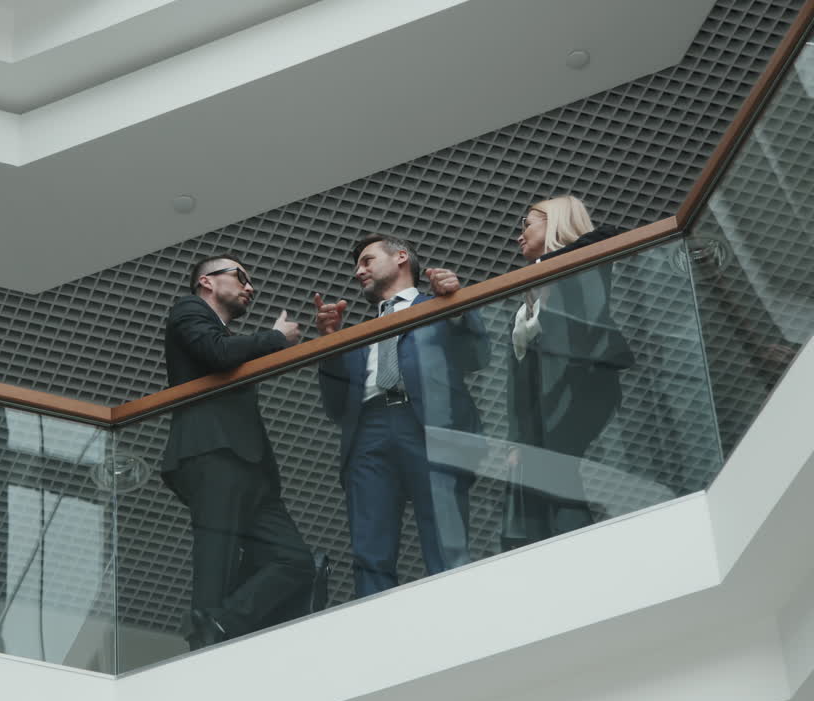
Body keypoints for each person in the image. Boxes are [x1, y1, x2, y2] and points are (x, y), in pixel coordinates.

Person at [314, 233, 488, 598]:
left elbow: (477, 357)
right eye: (357, 265)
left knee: (445, 538)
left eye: (366, 260)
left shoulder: (437, 304)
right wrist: (329, 344)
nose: (358, 271)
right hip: (368, 431)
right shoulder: (359, 333)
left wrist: (457, 302)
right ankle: (375, 628)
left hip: (428, 424)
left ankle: (458, 609)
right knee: (369, 549)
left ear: (401, 257)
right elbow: (335, 408)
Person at [161, 253, 315, 649]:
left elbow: (224, 353)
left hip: (250, 466)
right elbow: (216, 354)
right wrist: (276, 339)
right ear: (207, 282)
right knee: (217, 550)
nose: (250, 287)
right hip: (212, 452)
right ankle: (204, 640)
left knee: (295, 560)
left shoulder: (228, 339)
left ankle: (222, 626)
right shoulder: (188, 309)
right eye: (241, 277)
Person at [501, 196, 634, 550]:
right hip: (542, 400)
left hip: (580, 384)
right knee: (549, 477)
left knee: (555, 472)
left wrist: (554, 261)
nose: (520, 235)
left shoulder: (580, 261)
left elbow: (605, 239)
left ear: (555, 223)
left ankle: (577, 546)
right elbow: (521, 374)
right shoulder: (530, 289)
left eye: (528, 224)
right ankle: (564, 545)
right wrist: (518, 438)